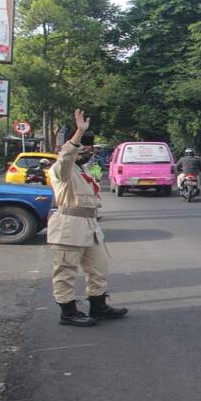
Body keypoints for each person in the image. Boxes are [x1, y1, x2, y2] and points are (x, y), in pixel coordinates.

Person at [47, 109, 127, 327]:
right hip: (68, 226)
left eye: (89, 148)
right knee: (66, 272)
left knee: (98, 268)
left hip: (90, 226)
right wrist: (78, 134)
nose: (87, 151)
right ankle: (69, 313)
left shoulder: (84, 171)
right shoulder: (61, 169)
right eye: (83, 147)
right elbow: (66, 157)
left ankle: (98, 306)